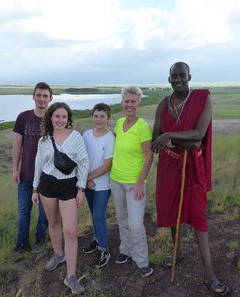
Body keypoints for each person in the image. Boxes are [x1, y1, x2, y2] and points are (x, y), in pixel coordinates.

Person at [151, 62, 230, 296]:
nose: (178, 80)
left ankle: (209, 275)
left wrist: (170, 135)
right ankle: (176, 252)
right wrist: (175, 140)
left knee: (198, 217)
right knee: (173, 214)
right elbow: (156, 138)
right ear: (168, 79)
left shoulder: (202, 98)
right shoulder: (163, 104)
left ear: (189, 77)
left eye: (182, 76)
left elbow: (199, 135)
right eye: (174, 76)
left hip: (193, 167)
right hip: (170, 166)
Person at [32, 102, 89, 295]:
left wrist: (81, 189)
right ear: (50, 118)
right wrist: (34, 188)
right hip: (47, 184)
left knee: (71, 231)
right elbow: (38, 163)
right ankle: (58, 254)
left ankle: (71, 276)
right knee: (53, 223)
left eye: (64, 117)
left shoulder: (76, 137)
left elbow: (84, 162)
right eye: (57, 116)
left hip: (68, 186)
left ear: (68, 118)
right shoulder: (44, 140)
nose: (60, 120)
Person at [110, 86, 154, 278]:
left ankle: (142, 260)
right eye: (126, 101)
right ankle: (125, 250)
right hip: (116, 180)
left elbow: (149, 156)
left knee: (136, 224)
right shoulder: (119, 123)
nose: (129, 104)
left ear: (138, 103)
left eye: (133, 101)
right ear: (122, 102)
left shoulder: (142, 127)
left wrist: (139, 183)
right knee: (122, 219)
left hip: (134, 184)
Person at [12, 82, 52, 254]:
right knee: (23, 212)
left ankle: (40, 240)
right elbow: (17, 144)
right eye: (39, 95)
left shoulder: (54, 119)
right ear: (33, 96)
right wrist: (15, 168)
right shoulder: (23, 117)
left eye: (45, 96)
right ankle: (21, 244)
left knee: (45, 214)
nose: (42, 99)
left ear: (51, 98)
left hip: (47, 176)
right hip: (26, 174)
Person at [82, 103, 115, 268]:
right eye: (96, 115)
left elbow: (107, 165)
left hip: (102, 184)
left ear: (108, 118)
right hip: (88, 183)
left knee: (98, 216)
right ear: (92, 116)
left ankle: (104, 249)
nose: (98, 119)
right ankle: (96, 239)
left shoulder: (110, 138)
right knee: (93, 213)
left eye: (102, 116)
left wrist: (88, 177)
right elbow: (82, 158)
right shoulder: (87, 134)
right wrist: (85, 179)